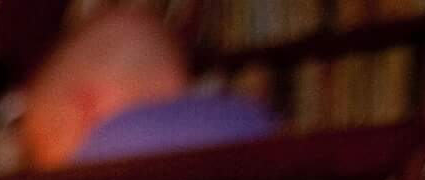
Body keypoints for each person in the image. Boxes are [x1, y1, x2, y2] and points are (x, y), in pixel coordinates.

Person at [18, 4, 281, 169]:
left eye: (46, 145)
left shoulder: (108, 164)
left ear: (87, 106)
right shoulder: (257, 124)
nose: (47, 170)